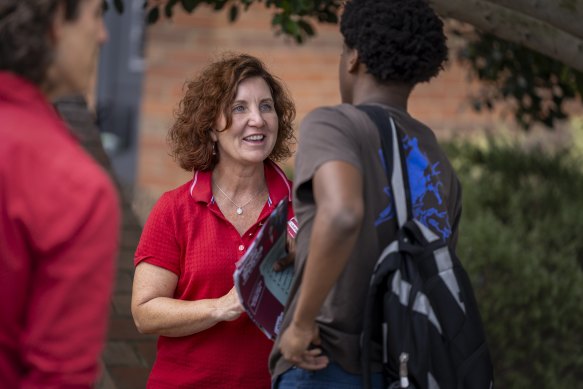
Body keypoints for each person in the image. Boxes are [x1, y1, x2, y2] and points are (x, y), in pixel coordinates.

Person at [270, 0, 458, 387]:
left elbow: (342, 215)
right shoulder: (435, 156)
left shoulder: (335, 124)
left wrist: (301, 323)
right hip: (405, 368)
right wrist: (309, 248)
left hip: (325, 364)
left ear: (353, 57)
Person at [131, 53, 297, 388]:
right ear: (210, 127)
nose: (258, 119)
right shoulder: (174, 209)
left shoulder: (303, 208)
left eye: (266, 106)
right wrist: (220, 308)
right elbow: (144, 313)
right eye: (240, 108)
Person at [0, 0, 120, 387]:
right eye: (97, 14)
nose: (103, 36)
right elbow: (58, 378)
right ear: (56, 21)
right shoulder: (73, 187)